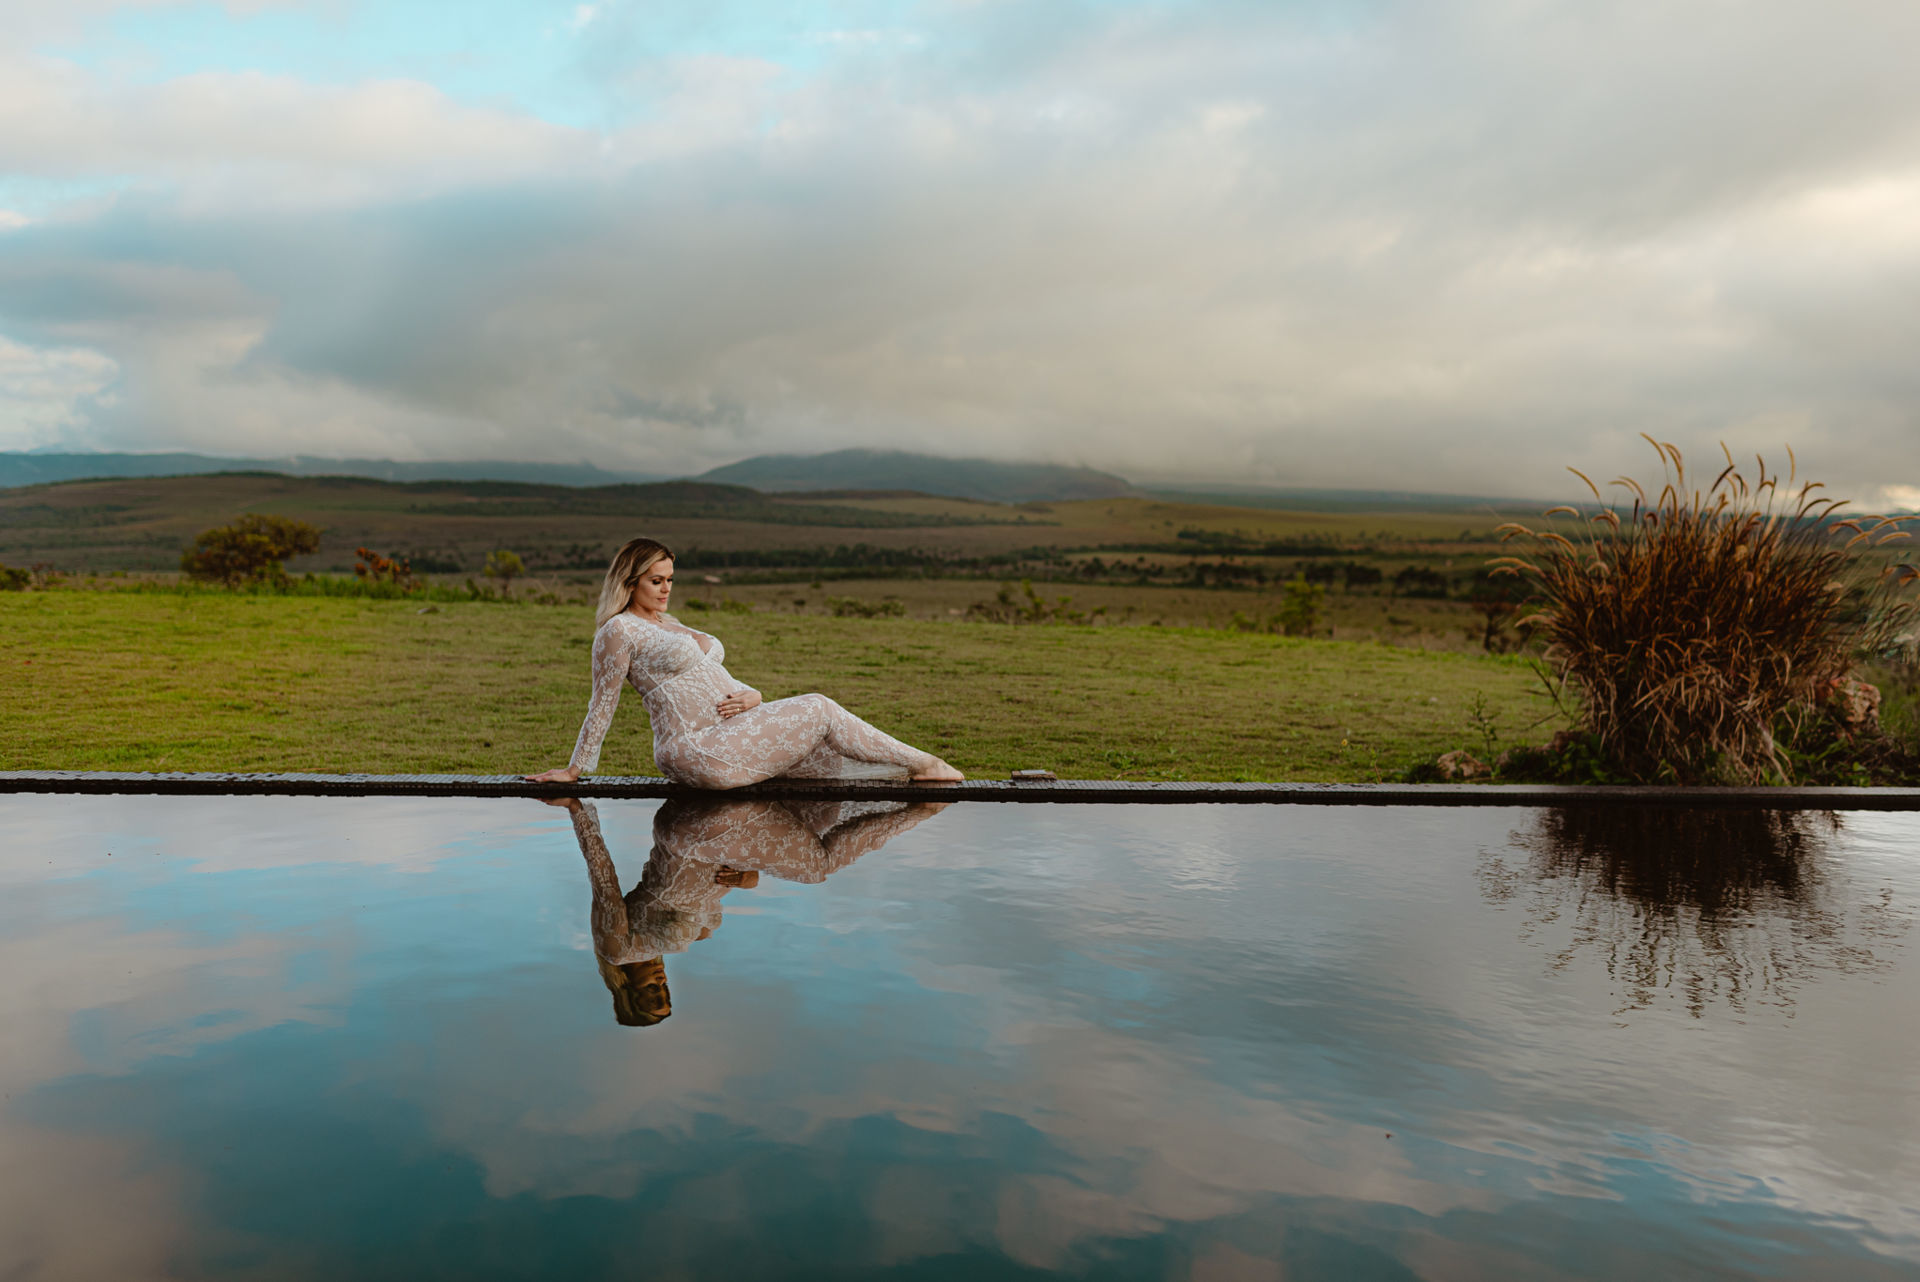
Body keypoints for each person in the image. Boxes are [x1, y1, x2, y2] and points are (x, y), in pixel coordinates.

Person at [527, 537, 963, 788]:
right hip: (694, 746)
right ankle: (925, 763)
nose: (665, 590)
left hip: (731, 735)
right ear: (629, 580)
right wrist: (575, 769)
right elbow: (601, 703)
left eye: (670, 580)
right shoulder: (619, 631)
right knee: (820, 707)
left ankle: (752, 861)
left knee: (830, 767)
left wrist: (753, 695)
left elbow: (710, 676)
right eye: (656, 581)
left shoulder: (668, 623)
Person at [551, 793, 950, 1026]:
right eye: (665, 990)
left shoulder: (618, 948)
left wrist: (580, 810)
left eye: (651, 991)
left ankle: (917, 809)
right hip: (726, 849)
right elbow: (717, 893)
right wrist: (748, 880)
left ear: (626, 989)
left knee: (817, 864)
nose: (660, 981)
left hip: (688, 841)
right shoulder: (691, 937)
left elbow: (601, 875)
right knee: (817, 828)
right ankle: (915, 806)